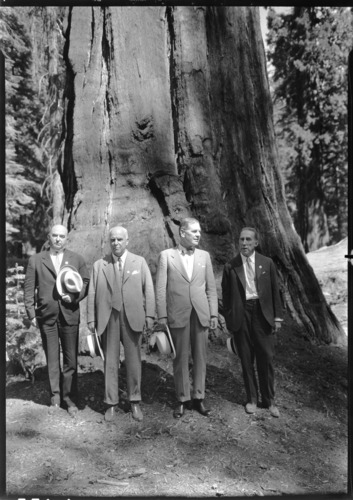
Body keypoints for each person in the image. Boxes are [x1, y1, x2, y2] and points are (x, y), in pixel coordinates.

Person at [87, 226, 155, 422]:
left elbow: (149, 290)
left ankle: (134, 401)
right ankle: (111, 403)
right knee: (110, 361)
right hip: (109, 318)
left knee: (134, 361)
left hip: (132, 317)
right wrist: (91, 318)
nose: (116, 243)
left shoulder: (139, 262)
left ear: (127, 241)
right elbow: (91, 293)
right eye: (112, 240)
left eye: (119, 239)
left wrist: (150, 315)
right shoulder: (100, 265)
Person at [156, 217, 218, 418]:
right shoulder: (166, 256)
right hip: (178, 314)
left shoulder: (204, 256)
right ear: (182, 233)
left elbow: (211, 288)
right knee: (180, 357)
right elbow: (160, 290)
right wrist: (162, 316)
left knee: (200, 357)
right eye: (194, 231)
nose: (198, 235)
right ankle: (182, 399)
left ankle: (199, 398)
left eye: (199, 231)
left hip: (201, 314)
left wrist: (213, 313)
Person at [24, 224, 89, 415]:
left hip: (69, 313)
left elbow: (85, 281)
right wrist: (31, 313)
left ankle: (69, 399)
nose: (58, 239)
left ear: (66, 238)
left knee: (70, 359)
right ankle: (55, 397)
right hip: (47, 315)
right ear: (49, 237)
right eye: (55, 235)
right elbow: (29, 288)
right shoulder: (36, 260)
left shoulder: (76, 259)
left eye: (62, 236)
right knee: (52, 359)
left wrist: (75, 297)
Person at [221, 227, 284, 417]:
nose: (244, 243)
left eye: (248, 240)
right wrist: (230, 321)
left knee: (266, 357)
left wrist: (277, 317)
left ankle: (269, 400)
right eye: (241, 240)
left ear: (256, 243)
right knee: (246, 359)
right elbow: (226, 296)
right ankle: (252, 399)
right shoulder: (230, 266)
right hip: (242, 315)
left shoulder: (267, 263)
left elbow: (275, 291)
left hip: (263, 314)